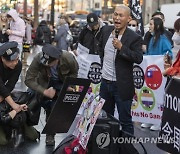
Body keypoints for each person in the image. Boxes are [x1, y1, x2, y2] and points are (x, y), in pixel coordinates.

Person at [99, 5, 143, 135]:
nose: (117, 18)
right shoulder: (105, 31)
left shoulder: (134, 37)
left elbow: (138, 58)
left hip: (122, 86)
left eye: (121, 15)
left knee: (125, 121)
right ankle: (107, 147)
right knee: (105, 119)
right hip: (105, 84)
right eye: (115, 14)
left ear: (128, 19)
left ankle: (126, 148)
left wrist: (121, 47)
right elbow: (100, 49)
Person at [25, 44, 79, 146]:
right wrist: (44, 91)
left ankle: (50, 133)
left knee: (54, 107)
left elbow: (74, 72)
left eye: (50, 63)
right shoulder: (38, 58)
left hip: (61, 83)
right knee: (30, 98)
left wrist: (69, 85)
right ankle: (25, 125)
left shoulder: (68, 58)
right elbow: (28, 79)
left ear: (57, 60)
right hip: (44, 83)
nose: (47, 65)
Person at [0, 41, 39, 146]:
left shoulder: (18, 65)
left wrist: (5, 99)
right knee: (3, 141)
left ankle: (18, 125)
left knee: (33, 136)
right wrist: (13, 105)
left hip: (3, 93)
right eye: (11, 61)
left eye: (17, 59)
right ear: (2, 59)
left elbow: (10, 84)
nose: (15, 63)